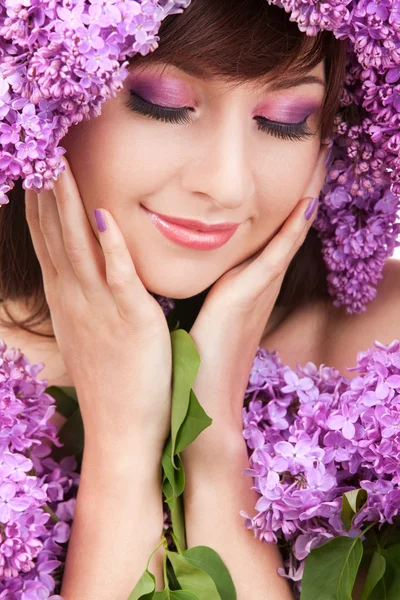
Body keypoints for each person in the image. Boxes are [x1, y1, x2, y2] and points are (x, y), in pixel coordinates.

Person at [0, 0, 399, 598]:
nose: (228, 182)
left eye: (287, 118)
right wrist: (122, 453)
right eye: (163, 103)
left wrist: (215, 443)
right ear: (43, 94)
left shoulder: (383, 343)